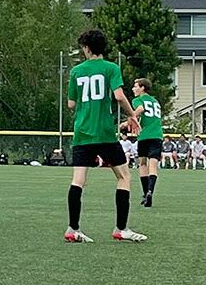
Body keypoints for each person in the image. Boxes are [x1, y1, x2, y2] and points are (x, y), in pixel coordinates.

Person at [64, 29, 146, 243]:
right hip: (105, 132)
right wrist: (132, 116)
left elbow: (71, 104)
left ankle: (73, 228)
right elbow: (119, 96)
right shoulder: (111, 68)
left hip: (82, 132)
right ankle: (121, 228)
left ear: (87, 48)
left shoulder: (76, 71)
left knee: (78, 180)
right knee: (124, 176)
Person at [131, 78, 163, 207]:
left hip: (145, 136)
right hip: (157, 135)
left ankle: (145, 194)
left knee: (143, 164)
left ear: (142, 88)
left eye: (135, 86)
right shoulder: (155, 101)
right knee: (153, 165)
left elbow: (140, 109)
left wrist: (130, 118)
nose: (134, 89)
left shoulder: (138, 100)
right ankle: (150, 191)